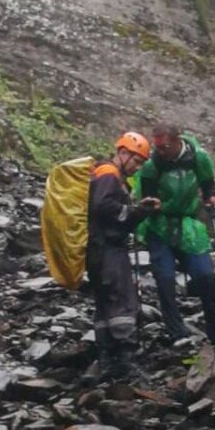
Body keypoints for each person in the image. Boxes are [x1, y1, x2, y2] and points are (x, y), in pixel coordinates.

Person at [134, 122, 215, 345]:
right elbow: (147, 196)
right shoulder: (151, 165)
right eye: (157, 147)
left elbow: (208, 187)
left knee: (205, 275)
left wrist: (211, 199)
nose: (160, 151)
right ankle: (177, 332)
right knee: (164, 278)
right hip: (159, 226)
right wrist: (150, 205)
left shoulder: (199, 158)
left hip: (188, 225)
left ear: (178, 141)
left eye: (164, 147)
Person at [87, 132, 160, 382]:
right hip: (108, 248)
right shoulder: (109, 173)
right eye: (136, 161)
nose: (137, 167)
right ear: (123, 153)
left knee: (105, 302)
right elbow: (102, 206)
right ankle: (126, 360)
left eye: (141, 163)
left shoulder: (104, 173)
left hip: (97, 249)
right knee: (122, 301)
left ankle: (107, 359)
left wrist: (137, 211)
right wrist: (134, 211)